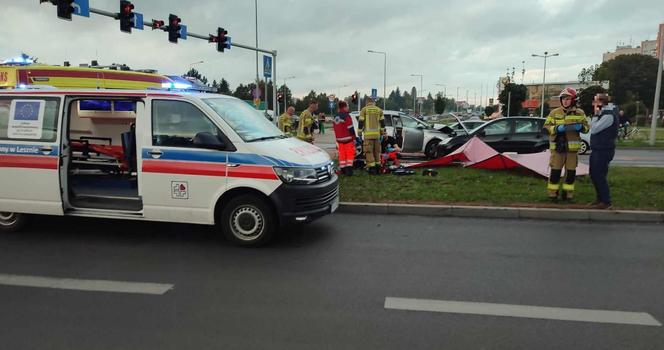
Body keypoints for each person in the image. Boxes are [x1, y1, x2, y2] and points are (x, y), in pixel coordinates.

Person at [543, 87, 589, 201]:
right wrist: (557, 128)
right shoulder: (554, 112)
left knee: (571, 174)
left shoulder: (580, 113)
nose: (565, 101)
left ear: (573, 100)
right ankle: (552, 194)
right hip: (558, 149)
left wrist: (581, 127)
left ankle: (567, 195)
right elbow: (546, 127)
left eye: (568, 99)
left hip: (572, 150)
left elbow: (587, 128)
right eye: (563, 98)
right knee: (555, 172)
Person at [589, 93, 619, 209]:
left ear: (601, 103)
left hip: (604, 149)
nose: (593, 104)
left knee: (599, 175)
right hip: (598, 148)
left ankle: (606, 201)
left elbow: (595, 129)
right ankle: (600, 199)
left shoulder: (608, 115)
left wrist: (596, 115)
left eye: (595, 102)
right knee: (594, 174)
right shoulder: (604, 114)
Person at [358, 97, 385, 174]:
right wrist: (382, 133)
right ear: (373, 102)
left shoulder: (364, 110)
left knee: (369, 152)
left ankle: (372, 169)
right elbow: (383, 123)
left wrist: (359, 133)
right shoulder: (379, 110)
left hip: (368, 136)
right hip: (377, 136)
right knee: (377, 151)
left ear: (367, 102)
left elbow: (360, 122)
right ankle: (378, 167)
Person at [332, 101, 357, 176]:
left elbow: (335, 128)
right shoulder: (346, 116)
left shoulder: (335, 116)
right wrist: (354, 138)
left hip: (339, 139)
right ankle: (349, 171)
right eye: (347, 106)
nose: (348, 108)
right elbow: (350, 128)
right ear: (344, 107)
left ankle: (342, 169)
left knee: (342, 155)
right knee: (349, 154)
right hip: (348, 139)